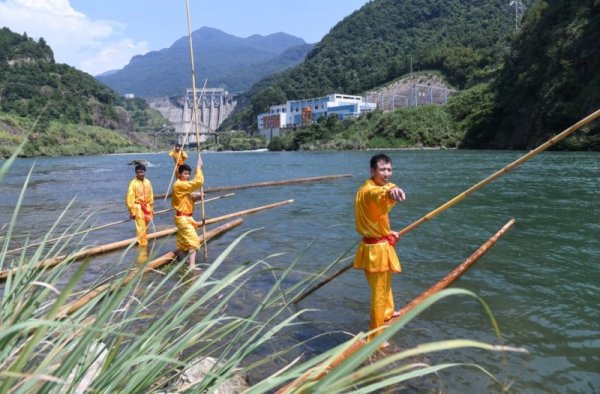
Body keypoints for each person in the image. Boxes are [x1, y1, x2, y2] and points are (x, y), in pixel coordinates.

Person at [353, 153, 406, 345]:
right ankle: (375, 337)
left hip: (377, 242)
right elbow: (381, 194)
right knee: (378, 293)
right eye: (382, 169)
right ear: (372, 171)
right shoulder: (369, 191)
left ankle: (387, 312)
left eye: (389, 169)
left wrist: (387, 232)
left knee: (385, 284)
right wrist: (391, 192)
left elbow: (375, 217)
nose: (387, 173)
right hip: (375, 251)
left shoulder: (369, 188)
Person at [171, 156, 204, 269]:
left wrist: (197, 197)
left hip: (184, 218)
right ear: (179, 174)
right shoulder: (179, 184)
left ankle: (181, 262)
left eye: (189, 174)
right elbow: (198, 182)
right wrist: (198, 168)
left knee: (182, 242)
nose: (188, 176)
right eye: (185, 174)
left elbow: (187, 199)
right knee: (193, 241)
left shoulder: (183, 186)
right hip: (183, 218)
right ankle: (192, 265)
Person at [126, 164, 154, 250]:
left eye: (142, 172)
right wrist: (131, 212)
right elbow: (130, 197)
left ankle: (145, 246)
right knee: (141, 229)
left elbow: (151, 196)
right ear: (136, 173)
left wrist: (152, 208)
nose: (140, 174)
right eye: (138, 172)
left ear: (145, 172)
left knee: (146, 227)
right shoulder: (133, 183)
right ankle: (142, 249)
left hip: (147, 207)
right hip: (138, 208)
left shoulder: (148, 182)